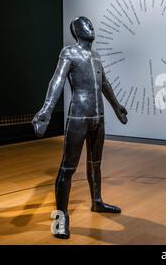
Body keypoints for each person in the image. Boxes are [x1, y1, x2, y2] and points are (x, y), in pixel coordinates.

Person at [32, 16, 128, 239]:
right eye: (85, 24)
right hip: (79, 116)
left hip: (98, 116)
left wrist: (116, 106)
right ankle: (61, 219)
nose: (91, 26)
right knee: (68, 168)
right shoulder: (69, 52)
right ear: (76, 30)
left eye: (91, 23)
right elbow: (56, 80)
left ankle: (97, 202)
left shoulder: (95, 55)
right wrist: (46, 109)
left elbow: (104, 83)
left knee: (95, 164)